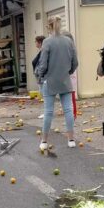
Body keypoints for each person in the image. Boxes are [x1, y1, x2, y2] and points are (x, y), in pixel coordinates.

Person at [35, 16, 78, 151]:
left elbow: (43, 64)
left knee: (48, 111)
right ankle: (71, 139)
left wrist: (40, 76)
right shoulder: (68, 41)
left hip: (50, 80)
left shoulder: (47, 42)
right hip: (65, 80)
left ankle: (44, 141)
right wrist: (68, 72)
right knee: (68, 110)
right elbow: (75, 62)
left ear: (49, 26)